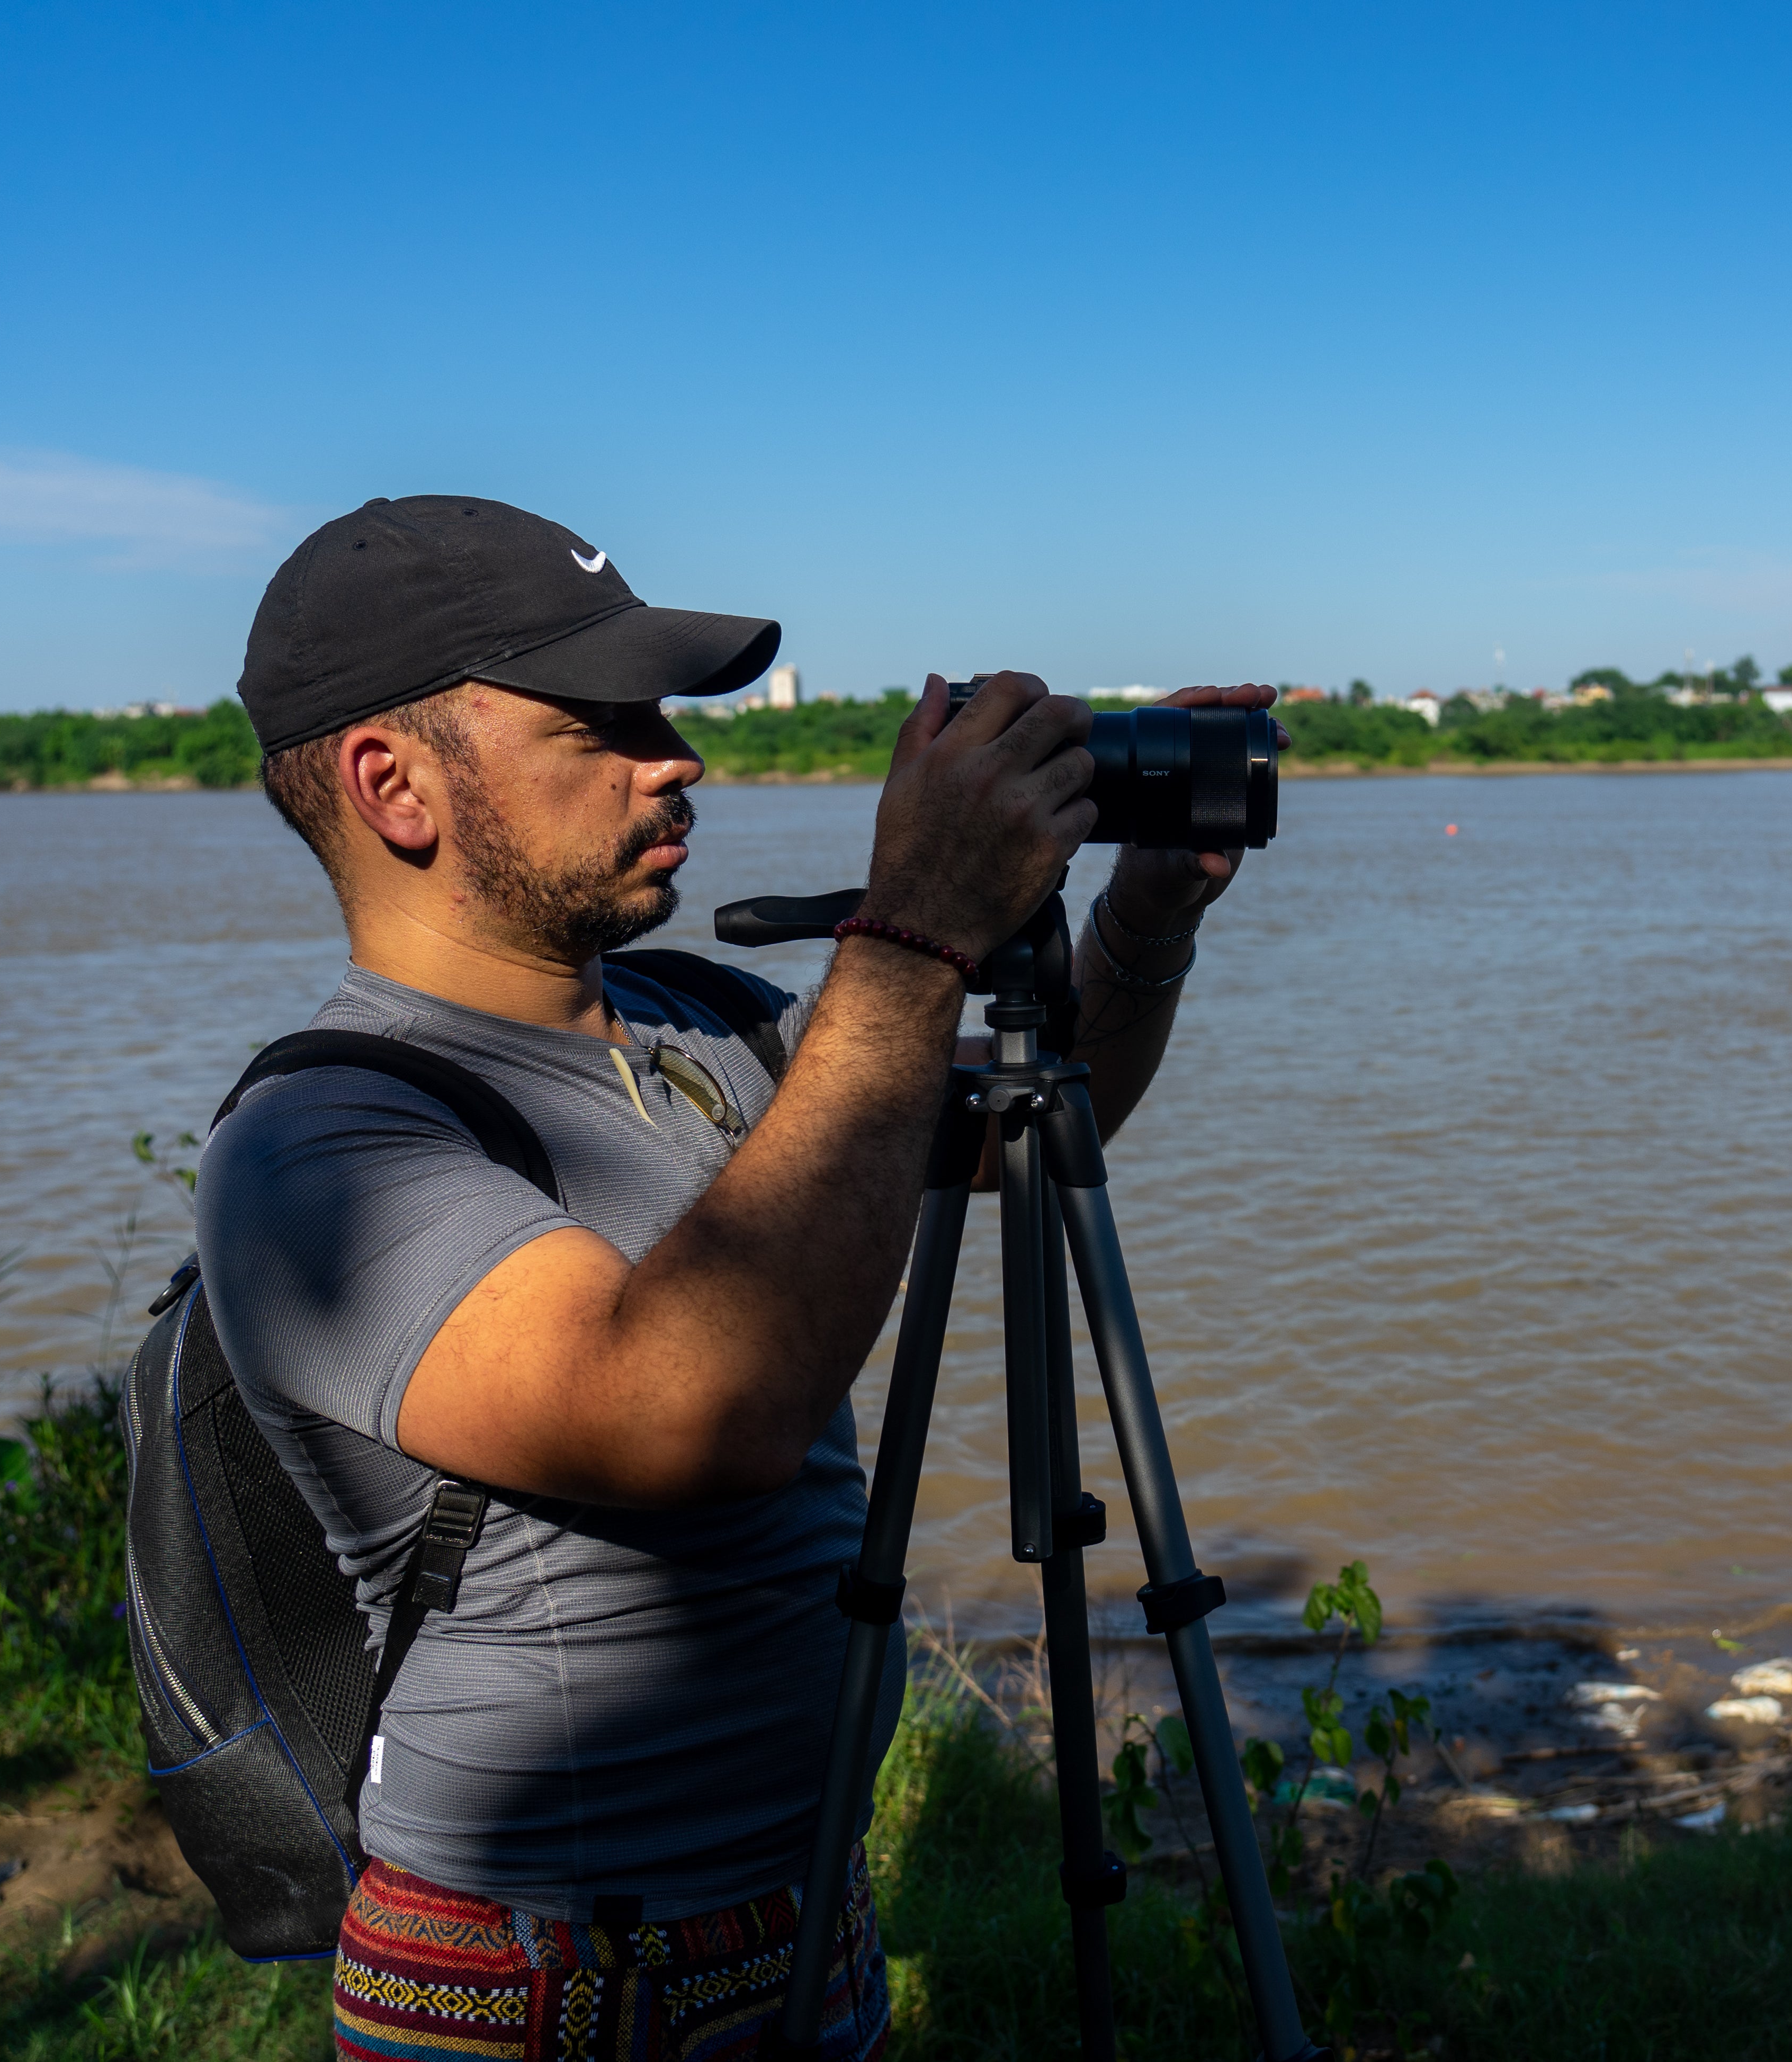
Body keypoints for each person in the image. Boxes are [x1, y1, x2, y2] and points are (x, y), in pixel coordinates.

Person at [194, 496, 1277, 2060]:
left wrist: (1141, 924)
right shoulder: (323, 1144)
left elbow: (1030, 1130)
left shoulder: (708, 1020)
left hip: (803, 1909)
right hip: (529, 1976)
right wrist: (909, 940)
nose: (676, 757)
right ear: (395, 783)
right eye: (605, 722)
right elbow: (689, 1412)